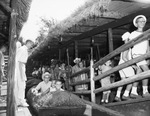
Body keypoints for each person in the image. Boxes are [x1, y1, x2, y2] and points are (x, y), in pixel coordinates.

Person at [129, 15, 150, 98]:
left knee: (140, 72)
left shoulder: (146, 34)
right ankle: (145, 91)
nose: (142, 22)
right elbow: (129, 45)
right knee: (147, 71)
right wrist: (130, 59)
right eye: (140, 21)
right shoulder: (133, 34)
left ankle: (133, 92)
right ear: (136, 24)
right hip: (137, 54)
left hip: (144, 56)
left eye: (143, 21)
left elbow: (147, 46)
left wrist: (148, 57)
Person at [115, 32, 135, 101]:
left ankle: (117, 96)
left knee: (123, 80)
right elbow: (124, 57)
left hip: (121, 64)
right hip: (125, 64)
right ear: (127, 39)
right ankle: (125, 95)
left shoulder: (124, 46)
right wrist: (132, 65)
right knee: (132, 79)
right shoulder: (127, 46)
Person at [14, 39, 34, 107]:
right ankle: (21, 100)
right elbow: (19, 61)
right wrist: (21, 73)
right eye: (31, 44)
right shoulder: (23, 49)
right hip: (20, 69)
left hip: (20, 68)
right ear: (28, 43)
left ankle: (19, 100)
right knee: (21, 85)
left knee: (21, 85)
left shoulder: (23, 49)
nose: (31, 46)